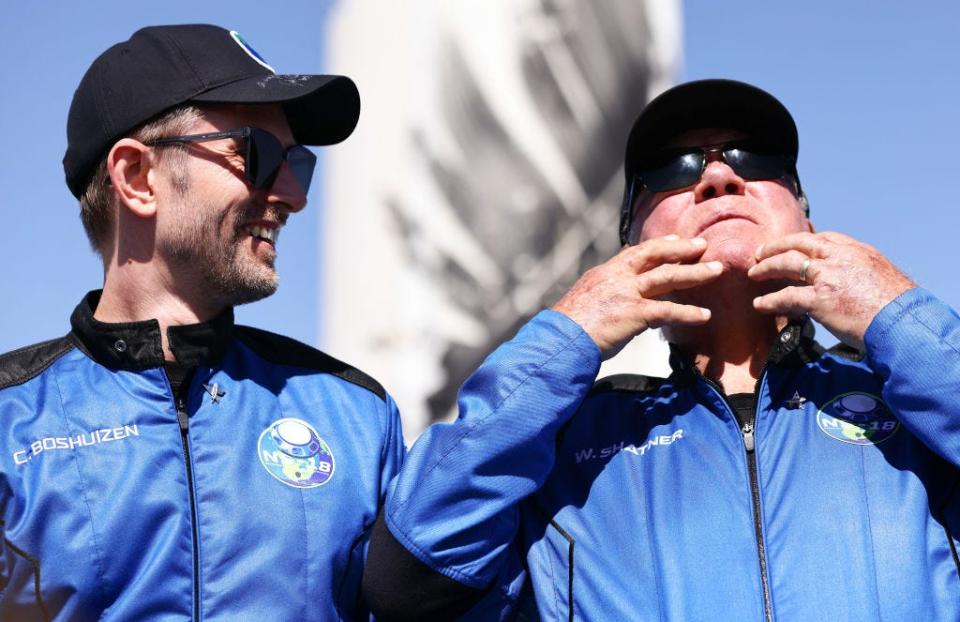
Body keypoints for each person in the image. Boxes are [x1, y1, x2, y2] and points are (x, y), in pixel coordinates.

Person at [363, 79, 960, 620]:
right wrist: (568, 332)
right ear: (631, 244)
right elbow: (408, 580)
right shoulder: (563, 440)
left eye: (757, 160)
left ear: (804, 218)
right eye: (675, 169)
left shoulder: (912, 400)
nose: (719, 179)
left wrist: (897, 313)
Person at [0, 24, 403, 620]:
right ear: (137, 177)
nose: (293, 195)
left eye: (298, 163)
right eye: (259, 156)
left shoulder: (356, 417)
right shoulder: (10, 426)